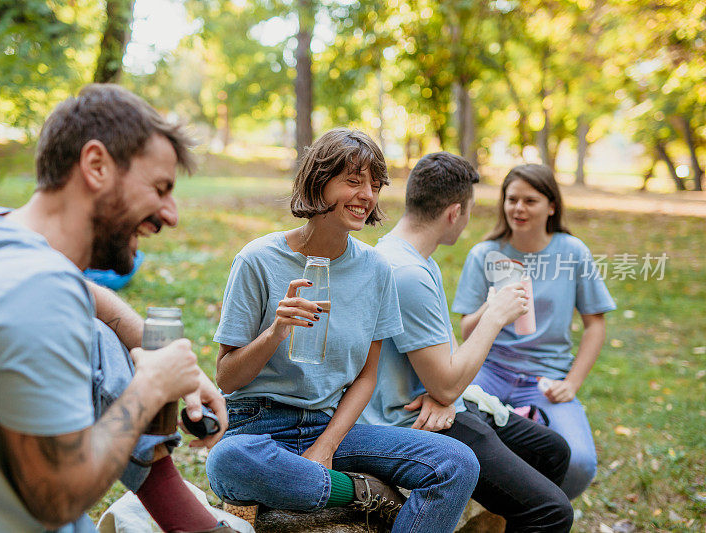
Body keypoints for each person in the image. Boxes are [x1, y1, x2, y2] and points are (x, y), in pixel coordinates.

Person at [0, 84, 230, 532]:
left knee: (100, 332)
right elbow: (56, 498)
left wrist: (154, 349)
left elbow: (69, 287)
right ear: (96, 165)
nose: (170, 214)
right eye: (159, 188)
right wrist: (151, 387)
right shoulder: (40, 293)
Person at [204, 129, 480, 533]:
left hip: (332, 425)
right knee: (228, 462)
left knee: (456, 463)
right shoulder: (258, 260)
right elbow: (226, 377)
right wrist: (276, 332)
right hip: (257, 427)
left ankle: (321, 482)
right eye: (353, 181)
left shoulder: (376, 269)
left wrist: (326, 445)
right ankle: (360, 494)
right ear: (318, 183)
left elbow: (367, 377)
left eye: (374, 184)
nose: (367, 194)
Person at [361, 152, 574, 532]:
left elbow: (439, 369)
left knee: (552, 450)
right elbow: (446, 382)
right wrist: (494, 315)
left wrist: (439, 390)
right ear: (454, 212)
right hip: (416, 423)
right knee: (552, 512)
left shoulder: (416, 258)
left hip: (440, 403)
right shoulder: (407, 273)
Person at [452, 163, 616, 499]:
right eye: (512, 199)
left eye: (530, 200)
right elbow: (468, 330)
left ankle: (541, 510)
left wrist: (572, 383)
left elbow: (595, 325)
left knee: (582, 463)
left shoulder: (572, 253)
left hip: (546, 379)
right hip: (489, 371)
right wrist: (495, 302)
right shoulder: (485, 254)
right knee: (455, 440)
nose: (518, 208)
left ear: (552, 205)